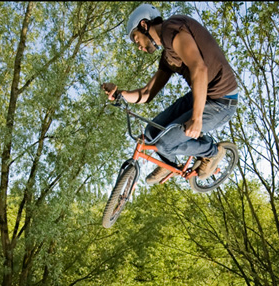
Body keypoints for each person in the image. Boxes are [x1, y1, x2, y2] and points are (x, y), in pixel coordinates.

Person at [102, 4, 238, 184]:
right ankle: (169, 164)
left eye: (136, 40)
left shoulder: (172, 29)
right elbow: (147, 93)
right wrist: (120, 94)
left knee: (164, 143)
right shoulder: (168, 56)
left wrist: (196, 118)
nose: (139, 47)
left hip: (222, 102)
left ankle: (212, 152)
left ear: (144, 25)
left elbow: (199, 67)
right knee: (151, 131)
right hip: (201, 95)